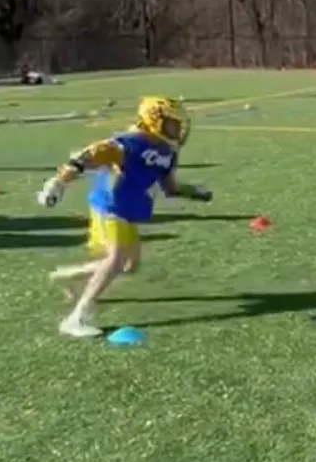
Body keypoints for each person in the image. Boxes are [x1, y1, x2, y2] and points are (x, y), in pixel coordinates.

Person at [36, 96, 212, 338]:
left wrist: (194, 192)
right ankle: (77, 317)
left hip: (128, 209)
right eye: (173, 123)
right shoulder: (129, 143)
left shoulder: (168, 152)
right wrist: (58, 183)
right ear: (154, 120)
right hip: (110, 205)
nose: (178, 129)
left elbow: (169, 187)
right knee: (116, 260)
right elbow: (88, 156)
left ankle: (69, 276)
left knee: (129, 266)